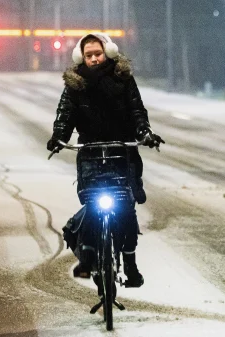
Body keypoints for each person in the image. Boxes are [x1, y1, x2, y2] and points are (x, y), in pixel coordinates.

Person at [47, 33, 164, 288]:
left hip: (122, 152)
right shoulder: (75, 84)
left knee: (126, 210)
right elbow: (65, 115)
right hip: (90, 155)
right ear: (82, 57)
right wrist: (58, 137)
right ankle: (88, 259)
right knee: (92, 206)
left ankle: (130, 265)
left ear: (108, 52)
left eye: (97, 54)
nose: (93, 59)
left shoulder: (123, 79)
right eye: (88, 55)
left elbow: (137, 112)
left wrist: (145, 133)